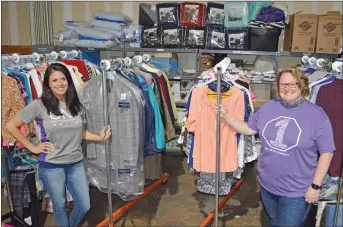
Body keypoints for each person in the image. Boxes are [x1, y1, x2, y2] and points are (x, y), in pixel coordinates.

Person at [215, 68, 335, 227]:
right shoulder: (269, 107)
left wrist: (315, 186)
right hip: (268, 185)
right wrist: (226, 116)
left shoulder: (316, 115)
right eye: (283, 84)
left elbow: (327, 153)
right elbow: (249, 129)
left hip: (296, 192)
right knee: (274, 221)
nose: (287, 88)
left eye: (293, 84)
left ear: (302, 85)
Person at [6, 63, 111, 227]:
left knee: (84, 205)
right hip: (51, 165)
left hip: (75, 163)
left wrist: (99, 136)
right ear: (48, 84)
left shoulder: (75, 104)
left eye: (63, 79)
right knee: (60, 205)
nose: (60, 83)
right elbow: (10, 126)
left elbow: (80, 132)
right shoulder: (38, 105)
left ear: (68, 81)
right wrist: (32, 147)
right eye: (54, 80)